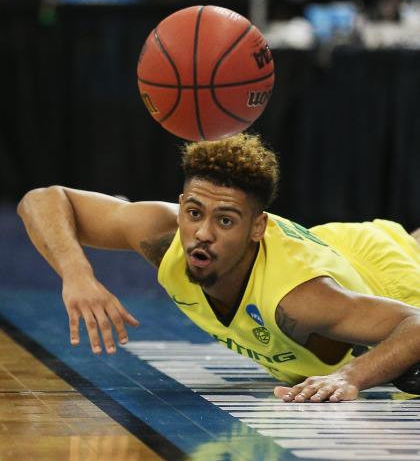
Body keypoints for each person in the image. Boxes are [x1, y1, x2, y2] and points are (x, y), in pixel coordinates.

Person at [17, 133, 420, 403]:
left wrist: (352, 376)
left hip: (391, 280)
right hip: (335, 247)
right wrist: (77, 273)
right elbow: (43, 199)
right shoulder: (167, 236)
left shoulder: (298, 300)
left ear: (256, 227)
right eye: (193, 212)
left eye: (225, 220)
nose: (202, 233)